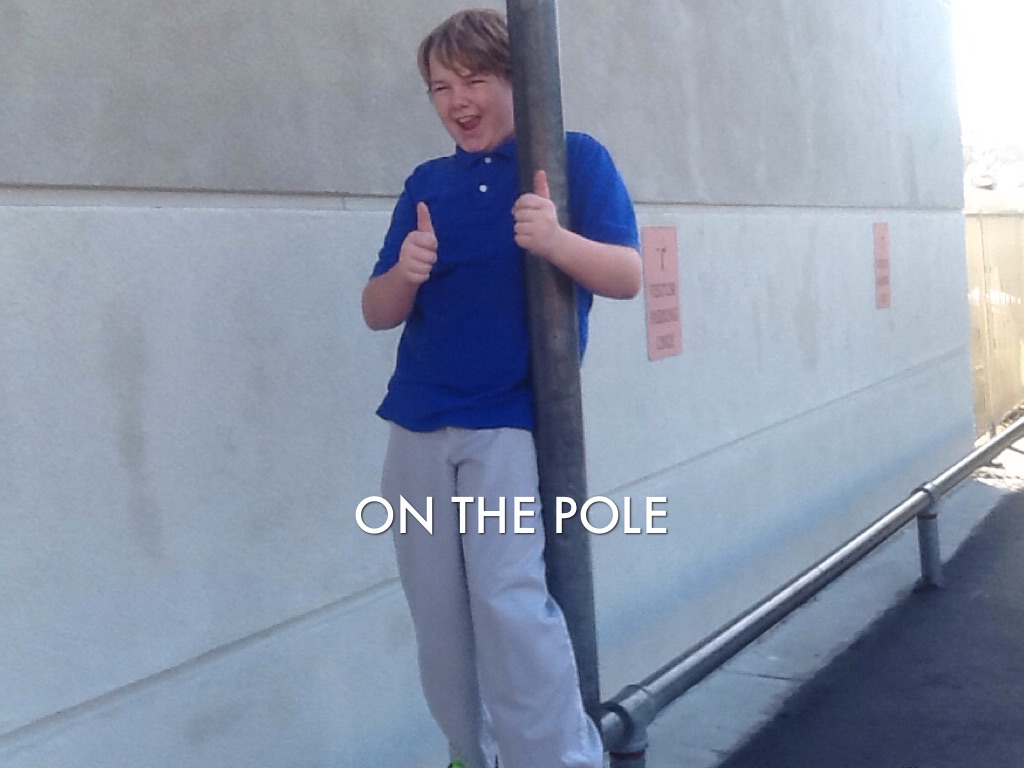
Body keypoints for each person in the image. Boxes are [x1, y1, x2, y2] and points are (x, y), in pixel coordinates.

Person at [361, 9, 642, 768]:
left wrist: (555, 240)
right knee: (438, 614)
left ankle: (557, 759)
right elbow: (377, 311)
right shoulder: (427, 184)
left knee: (508, 601)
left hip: (508, 423)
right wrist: (406, 271)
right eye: (440, 87)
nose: (457, 100)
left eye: (475, 80)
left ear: (520, 81)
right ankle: (468, 752)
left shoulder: (575, 158)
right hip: (417, 423)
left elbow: (626, 275)